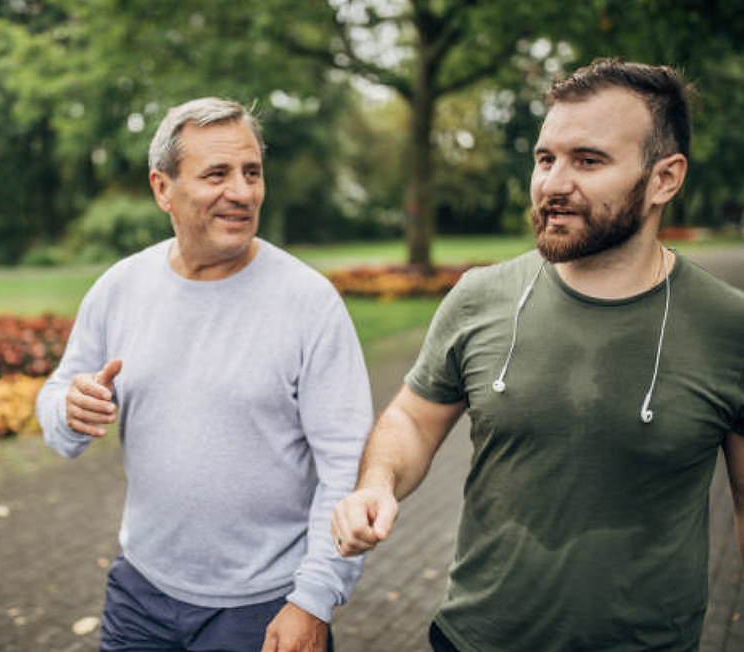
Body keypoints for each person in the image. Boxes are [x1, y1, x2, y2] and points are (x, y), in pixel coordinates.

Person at [331, 58, 744, 652]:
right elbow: (412, 420)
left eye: (588, 160)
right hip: (472, 639)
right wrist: (378, 484)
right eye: (545, 158)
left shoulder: (727, 327)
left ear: (665, 179)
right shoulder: (479, 297)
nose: (552, 183)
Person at [36, 97, 373, 652]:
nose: (241, 192)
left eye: (252, 172)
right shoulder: (120, 288)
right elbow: (55, 401)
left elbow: (346, 469)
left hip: (264, 608)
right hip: (140, 595)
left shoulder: (308, 302)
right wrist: (68, 411)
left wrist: (313, 599)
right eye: (217, 174)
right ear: (162, 188)